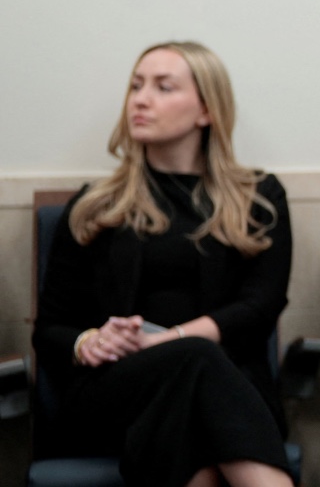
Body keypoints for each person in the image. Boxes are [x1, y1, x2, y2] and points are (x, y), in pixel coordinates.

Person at [32, 41, 294, 487]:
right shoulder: (96, 206)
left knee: (196, 386)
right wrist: (90, 342)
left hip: (229, 383)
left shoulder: (258, 198)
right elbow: (50, 330)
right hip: (117, 391)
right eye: (136, 86)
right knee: (195, 366)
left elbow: (260, 307)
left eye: (163, 87)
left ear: (206, 110)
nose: (141, 99)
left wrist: (166, 341)